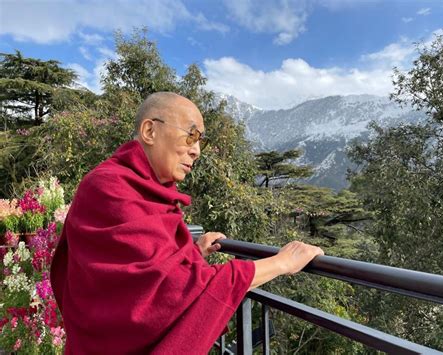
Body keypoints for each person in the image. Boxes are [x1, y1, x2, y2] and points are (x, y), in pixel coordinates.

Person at [50, 92, 324, 354]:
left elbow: (146, 269)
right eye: (191, 136)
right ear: (150, 131)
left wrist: (192, 253)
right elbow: (168, 290)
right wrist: (281, 263)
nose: (197, 151)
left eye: (200, 141)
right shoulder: (108, 187)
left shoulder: (150, 191)